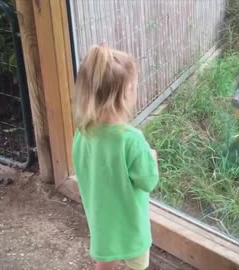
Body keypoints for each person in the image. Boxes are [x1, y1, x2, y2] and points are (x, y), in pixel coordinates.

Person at [71, 43, 159, 270]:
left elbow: (84, 166)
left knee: (105, 263)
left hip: (102, 224)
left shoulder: (83, 132)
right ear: (124, 94)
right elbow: (148, 181)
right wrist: (152, 158)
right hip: (131, 229)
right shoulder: (131, 139)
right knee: (137, 265)